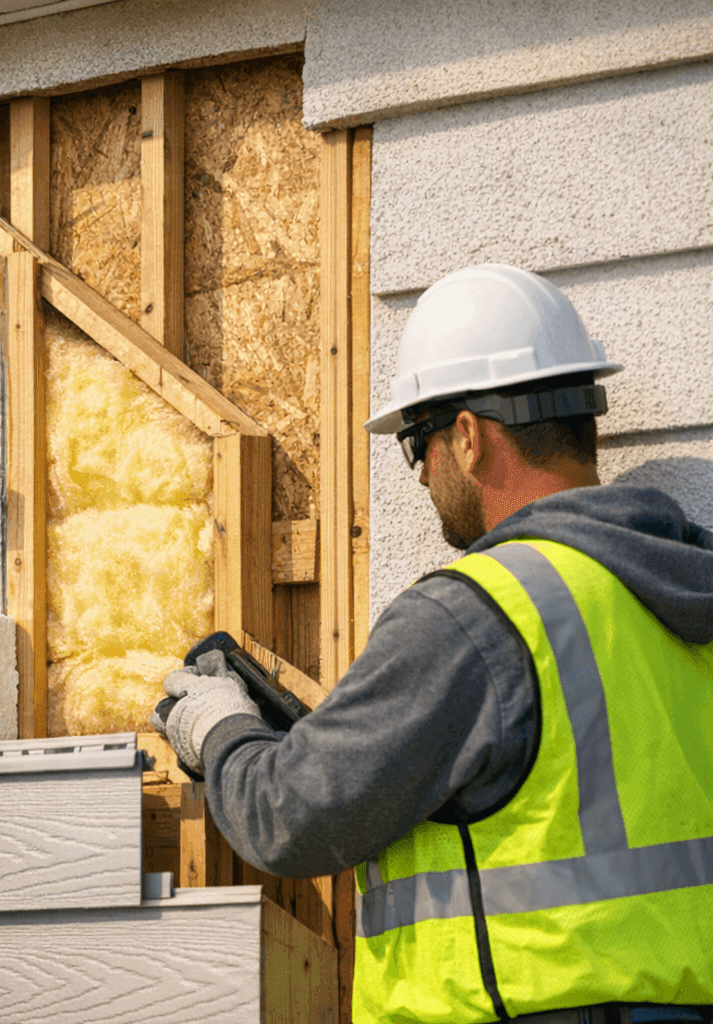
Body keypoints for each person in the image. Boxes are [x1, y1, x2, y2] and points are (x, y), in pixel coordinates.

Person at [153, 264, 713, 1023]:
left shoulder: (475, 616)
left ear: (469, 437)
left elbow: (286, 815)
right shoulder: (680, 584)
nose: (420, 477)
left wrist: (219, 727)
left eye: (418, 443)